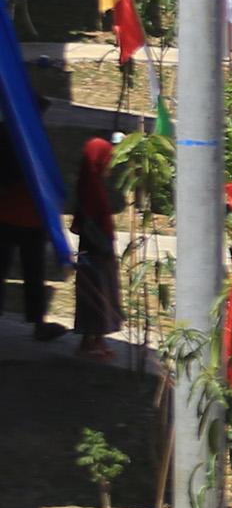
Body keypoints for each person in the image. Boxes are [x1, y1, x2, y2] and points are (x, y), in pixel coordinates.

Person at [71, 138, 119, 360]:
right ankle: (90, 342)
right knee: (96, 294)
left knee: (101, 293)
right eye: (108, 159)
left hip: (97, 250)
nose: (111, 164)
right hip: (96, 252)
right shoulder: (93, 189)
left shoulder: (92, 183)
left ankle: (97, 338)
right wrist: (105, 248)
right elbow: (93, 222)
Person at [0, 157, 50, 340]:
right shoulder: (30, 139)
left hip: (7, 215)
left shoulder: (7, 139)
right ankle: (38, 323)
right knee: (34, 274)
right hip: (32, 218)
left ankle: (39, 322)